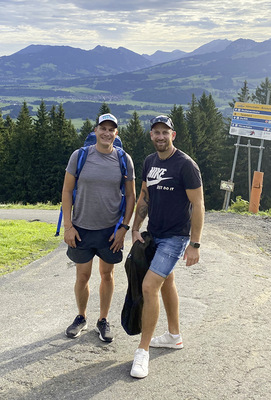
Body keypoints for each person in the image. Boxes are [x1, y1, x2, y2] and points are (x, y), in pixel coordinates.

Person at [130, 115, 205, 378]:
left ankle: (142, 352)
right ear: (151, 135)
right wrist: (135, 227)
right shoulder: (150, 162)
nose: (160, 136)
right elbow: (145, 196)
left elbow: (198, 204)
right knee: (167, 282)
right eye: (156, 132)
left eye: (165, 132)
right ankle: (174, 336)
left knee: (149, 286)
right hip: (155, 234)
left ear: (173, 135)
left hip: (175, 237)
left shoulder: (185, 165)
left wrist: (194, 243)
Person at [62, 113, 135, 342]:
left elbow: (131, 196)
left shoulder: (124, 159)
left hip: (110, 231)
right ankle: (81, 317)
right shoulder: (80, 156)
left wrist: (124, 228)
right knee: (82, 276)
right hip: (81, 228)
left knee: (107, 275)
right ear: (95, 131)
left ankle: (103, 320)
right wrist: (68, 226)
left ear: (116, 133)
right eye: (103, 128)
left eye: (111, 129)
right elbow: (66, 191)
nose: (106, 133)